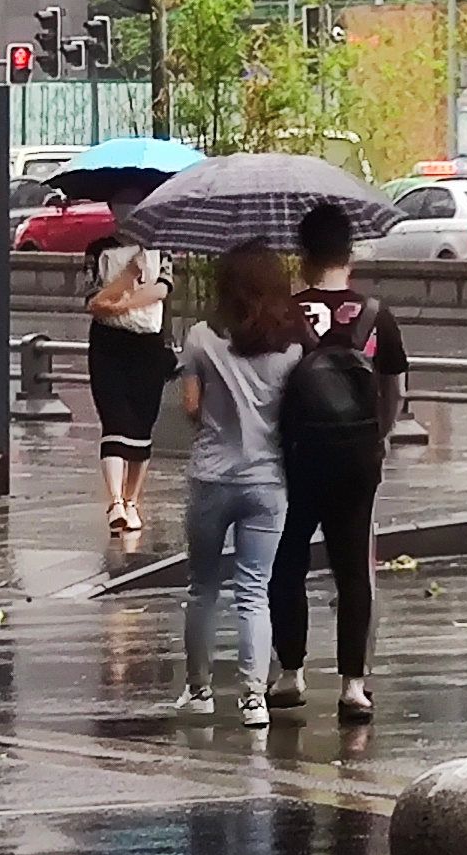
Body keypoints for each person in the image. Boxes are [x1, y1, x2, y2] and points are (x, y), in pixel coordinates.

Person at [271, 203, 409, 721]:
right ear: (349, 255)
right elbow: (395, 387)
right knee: (353, 568)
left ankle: (291, 672)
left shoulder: (286, 314)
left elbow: (274, 387)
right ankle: (353, 684)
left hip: (299, 455)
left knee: (289, 559)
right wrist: (380, 432)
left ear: (303, 257)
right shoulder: (375, 314)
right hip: (357, 456)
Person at [174, 245, 309, 727]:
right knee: (254, 589)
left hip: (211, 475)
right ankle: (254, 698)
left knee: (204, 588)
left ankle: (200, 690)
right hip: (267, 480)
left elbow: (190, 407)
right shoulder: (293, 345)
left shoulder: (201, 338)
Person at [84, 233, 172, 537]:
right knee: (114, 419)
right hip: (108, 344)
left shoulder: (161, 245)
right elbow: (93, 299)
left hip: (149, 345)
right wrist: (129, 276)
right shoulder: (98, 247)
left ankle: (133, 501)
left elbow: (162, 288)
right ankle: (116, 502)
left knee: (141, 422)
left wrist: (122, 304)